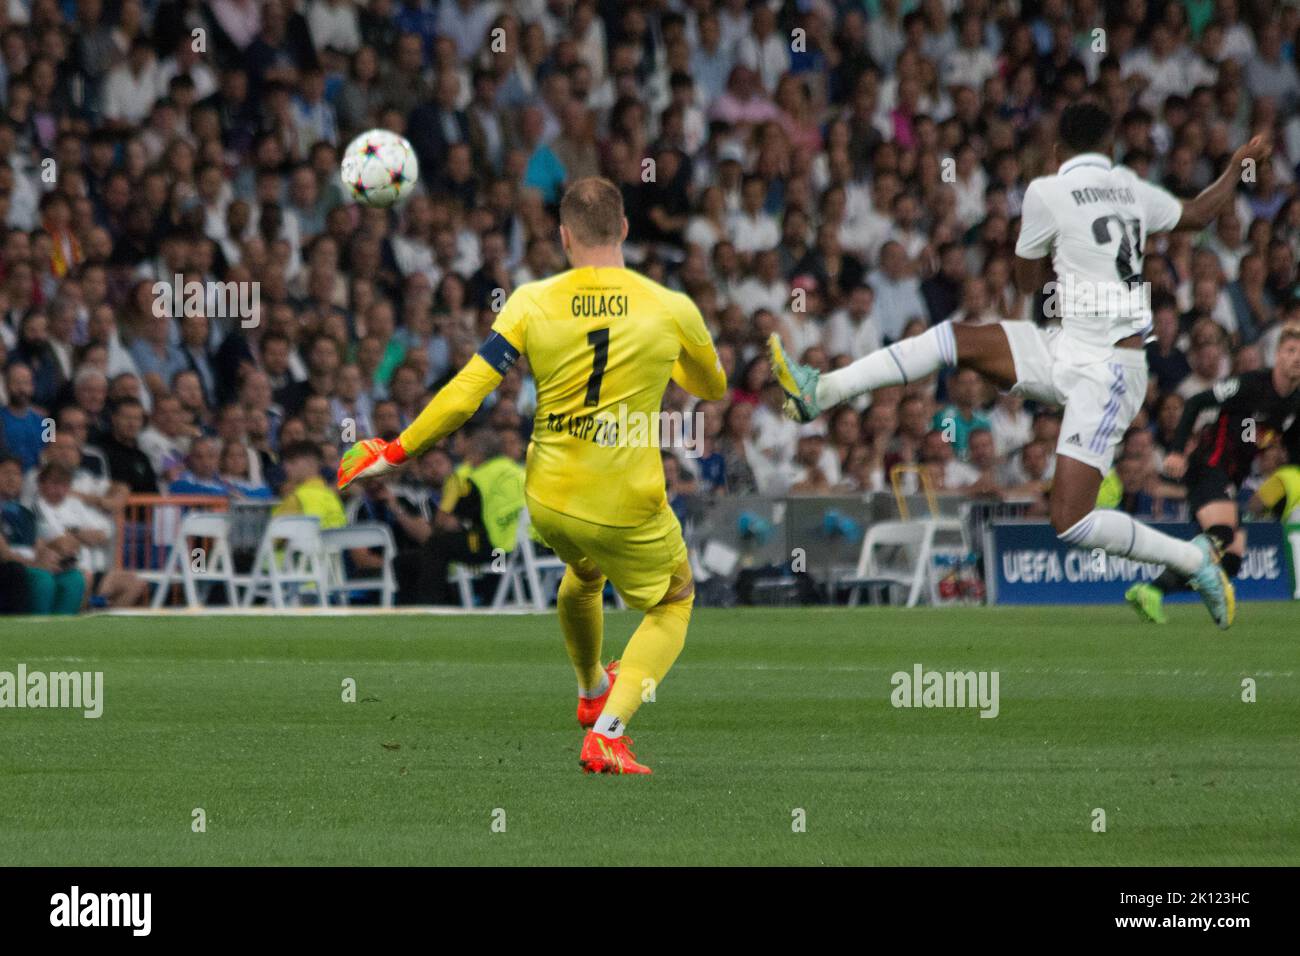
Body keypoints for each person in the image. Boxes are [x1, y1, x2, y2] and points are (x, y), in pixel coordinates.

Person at [770, 102, 1271, 630]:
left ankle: (1194, 561)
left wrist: (1042, 254)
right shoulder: (1130, 185)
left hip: (1109, 372)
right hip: (1070, 344)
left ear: (1058, 151)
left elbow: (1028, 282)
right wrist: (1238, 165)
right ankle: (820, 391)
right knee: (954, 338)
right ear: (1111, 147)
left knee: (1070, 520)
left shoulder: (1045, 190)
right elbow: (1197, 214)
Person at [337, 177, 726, 774]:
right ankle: (609, 731)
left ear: (564, 236)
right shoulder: (671, 307)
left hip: (547, 499)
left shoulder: (530, 300)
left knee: (585, 568)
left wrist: (396, 450)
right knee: (674, 601)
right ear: (624, 229)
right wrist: (662, 351)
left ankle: (591, 685)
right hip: (627, 500)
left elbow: (469, 392)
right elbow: (712, 387)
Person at [1127, 326, 1300, 622]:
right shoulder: (1250, 385)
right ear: (1277, 355)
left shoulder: (1295, 403)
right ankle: (1153, 587)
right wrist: (1177, 451)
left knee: (1230, 562)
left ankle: (1153, 591)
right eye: (1290, 351)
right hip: (1209, 466)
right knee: (1221, 534)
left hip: (1232, 479)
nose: (1296, 358)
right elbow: (1196, 402)